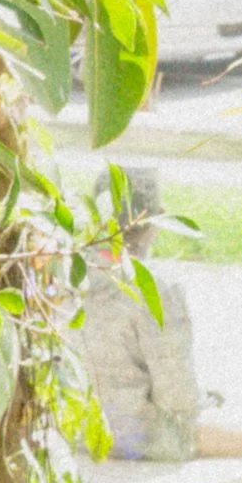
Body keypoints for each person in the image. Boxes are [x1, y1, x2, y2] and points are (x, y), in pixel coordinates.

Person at [78, 170, 201, 465]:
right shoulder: (156, 288)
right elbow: (179, 400)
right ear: (159, 219)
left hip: (76, 430)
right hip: (138, 438)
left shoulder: (66, 271)